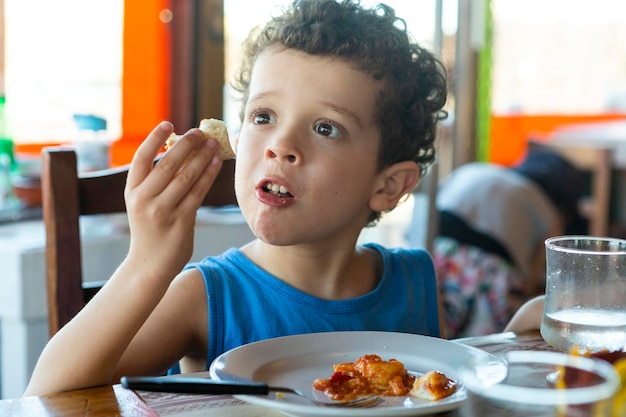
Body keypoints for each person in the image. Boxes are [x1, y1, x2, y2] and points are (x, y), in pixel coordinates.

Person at [25, 0, 448, 396]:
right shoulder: (205, 297)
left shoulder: (415, 285)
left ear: (388, 186)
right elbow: (46, 397)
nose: (280, 145)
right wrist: (148, 263)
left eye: (325, 128)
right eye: (263, 117)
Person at [433, 150, 585, 339]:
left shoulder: (473, 170)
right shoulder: (548, 208)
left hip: (438, 249)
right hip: (492, 266)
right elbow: (538, 271)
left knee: (438, 328)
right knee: (484, 345)